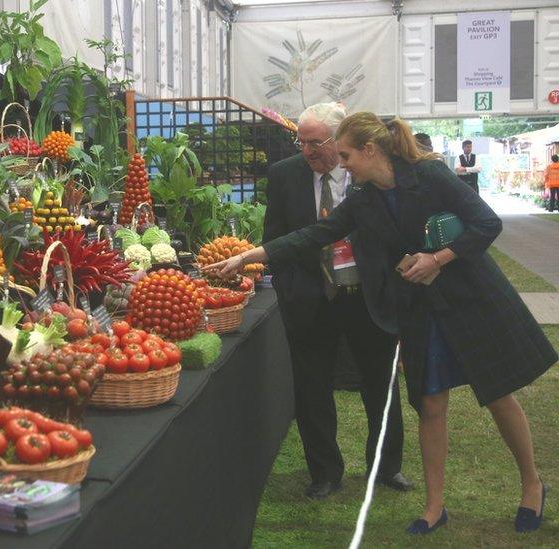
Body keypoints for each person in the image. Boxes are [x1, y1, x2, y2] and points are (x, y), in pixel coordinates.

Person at [205, 112, 555, 535]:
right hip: (420, 305)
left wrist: (437, 258)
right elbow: (315, 234)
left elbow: (487, 223)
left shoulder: (430, 175)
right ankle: (434, 507)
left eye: (347, 155)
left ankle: (532, 484)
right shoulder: (365, 197)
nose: (343, 163)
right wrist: (247, 257)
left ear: (370, 150)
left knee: (499, 394)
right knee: (430, 403)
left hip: (469, 297)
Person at [262, 102, 409, 500]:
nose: (307, 150)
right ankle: (324, 472)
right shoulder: (284, 175)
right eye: (301, 141)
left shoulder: (363, 171)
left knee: (380, 384)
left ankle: (386, 467)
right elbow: (275, 236)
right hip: (311, 299)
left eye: (316, 142)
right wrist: (290, 287)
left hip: (366, 296)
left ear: (337, 139)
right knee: (312, 389)